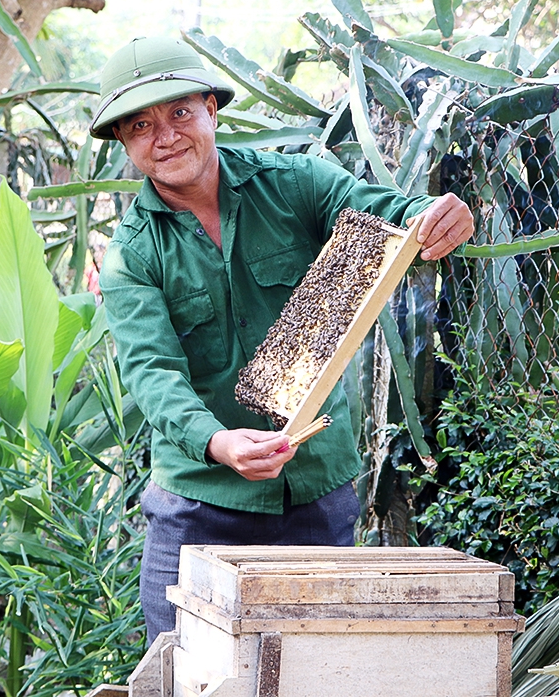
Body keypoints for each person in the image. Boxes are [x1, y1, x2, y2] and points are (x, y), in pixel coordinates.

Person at [93, 37, 475, 644]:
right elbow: (151, 373)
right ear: (123, 143)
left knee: (316, 674)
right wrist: (216, 442)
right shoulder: (133, 254)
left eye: (180, 112)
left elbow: (377, 210)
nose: (165, 135)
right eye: (142, 125)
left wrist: (431, 215)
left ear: (211, 110)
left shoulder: (293, 182)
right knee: (185, 678)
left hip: (315, 495)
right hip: (197, 510)